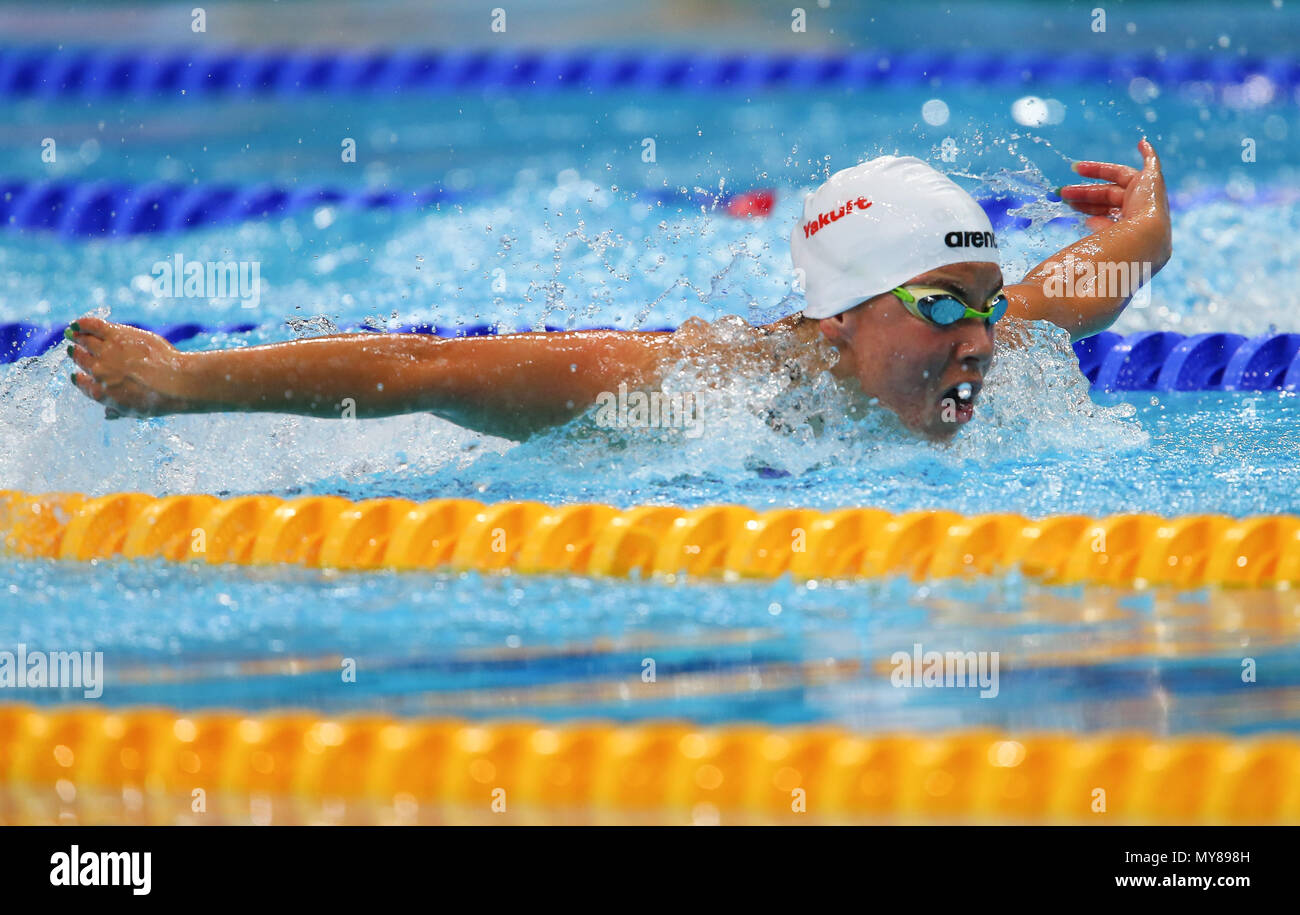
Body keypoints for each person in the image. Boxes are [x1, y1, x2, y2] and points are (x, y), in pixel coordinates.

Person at [66, 139, 1170, 442]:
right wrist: (182, 379)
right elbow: (421, 371)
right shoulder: (688, 390)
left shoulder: (980, 337)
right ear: (840, 316)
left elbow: (1072, 287)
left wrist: (1143, 229)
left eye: (981, 304)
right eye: (940, 303)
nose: (981, 337)